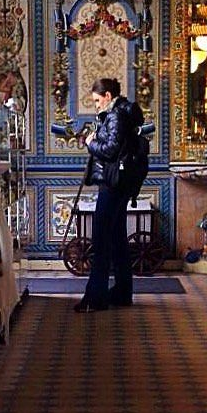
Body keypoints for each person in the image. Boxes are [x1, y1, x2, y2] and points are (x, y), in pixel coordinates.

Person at [75, 76, 143, 312]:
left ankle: (96, 297)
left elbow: (111, 150)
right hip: (120, 183)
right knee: (116, 239)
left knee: (101, 239)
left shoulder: (115, 115)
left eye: (97, 100)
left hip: (112, 184)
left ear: (107, 96)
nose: (96, 105)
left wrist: (91, 142)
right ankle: (122, 293)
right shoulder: (121, 114)